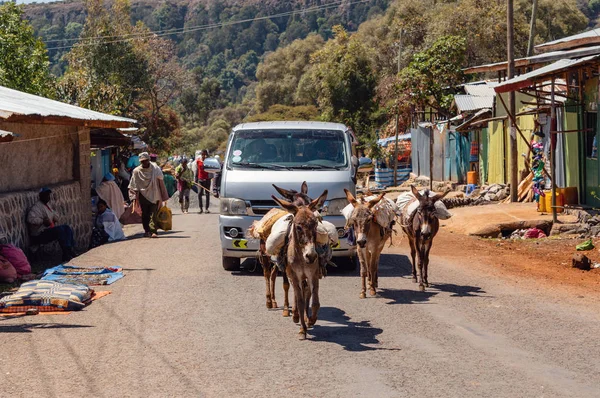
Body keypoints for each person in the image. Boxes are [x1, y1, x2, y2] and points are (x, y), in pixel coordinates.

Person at [27, 187, 77, 262]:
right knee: (59, 231)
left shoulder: (47, 206)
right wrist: (42, 221)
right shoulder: (36, 207)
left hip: (47, 230)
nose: (47, 197)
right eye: (45, 195)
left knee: (66, 228)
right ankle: (67, 252)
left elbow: (54, 214)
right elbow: (30, 219)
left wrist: (54, 218)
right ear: (41, 196)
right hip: (39, 234)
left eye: (48, 195)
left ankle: (69, 249)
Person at [128, 152, 169, 238]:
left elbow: (161, 182)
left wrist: (164, 195)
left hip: (154, 194)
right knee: (145, 214)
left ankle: (153, 231)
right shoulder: (136, 171)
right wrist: (133, 197)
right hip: (143, 196)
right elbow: (133, 185)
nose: (144, 163)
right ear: (140, 162)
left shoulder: (155, 169)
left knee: (153, 213)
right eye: (142, 161)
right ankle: (147, 231)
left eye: (146, 161)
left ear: (149, 160)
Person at [195, 149, 212, 213]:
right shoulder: (198, 161)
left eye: (205, 154)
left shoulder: (209, 161)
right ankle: (200, 208)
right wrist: (195, 179)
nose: (204, 156)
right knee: (199, 194)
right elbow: (197, 170)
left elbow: (211, 170)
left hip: (207, 179)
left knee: (207, 194)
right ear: (201, 154)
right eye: (203, 154)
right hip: (200, 179)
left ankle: (206, 208)